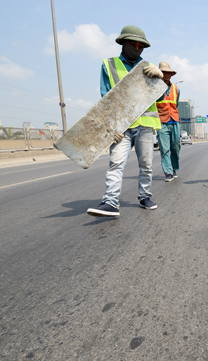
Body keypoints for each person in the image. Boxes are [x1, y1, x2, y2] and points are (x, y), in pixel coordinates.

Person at [87, 25, 164, 217]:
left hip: (145, 125)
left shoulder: (147, 67)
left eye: (140, 45)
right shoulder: (109, 65)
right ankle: (111, 202)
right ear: (124, 43)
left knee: (145, 164)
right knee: (115, 163)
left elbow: (160, 99)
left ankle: (145, 196)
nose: (137, 48)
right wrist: (111, 127)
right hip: (122, 127)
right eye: (133, 44)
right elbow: (106, 99)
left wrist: (161, 79)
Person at [155, 62, 181, 182]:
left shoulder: (176, 89)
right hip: (162, 122)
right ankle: (168, 172)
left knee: (176, 147)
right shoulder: (155, 88)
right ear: (160, 74)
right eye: (164, 72)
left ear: (171, 74)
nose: (166, 74)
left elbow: (176, 104)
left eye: (168, 72)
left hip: (174, 121)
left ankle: (174, 167)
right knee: (164, 148)